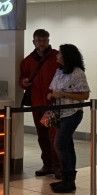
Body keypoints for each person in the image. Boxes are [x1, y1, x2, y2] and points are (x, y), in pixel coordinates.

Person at [47, 44, 90, 194]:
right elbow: (54, 89)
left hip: (72, 113)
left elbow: (85, 95)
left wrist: (64, 94)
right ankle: (68, 180)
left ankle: (67, 178)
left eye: (59, 53)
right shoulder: (59, 71)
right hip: (60, 113)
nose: (57, 55)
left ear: (66, 56)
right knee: (67, 145)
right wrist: (52, 95)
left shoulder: (78, 73)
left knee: (60, 144)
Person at [20, 29, 62, 178]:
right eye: (39, 41)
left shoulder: (57, 57)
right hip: (37, 103)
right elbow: (22, 78)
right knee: (42, 135)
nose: (42, 43)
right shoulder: (27, 61)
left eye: (45, 40)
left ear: (48, 41)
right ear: (34, 42)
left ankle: (58, 167)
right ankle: (47, 164)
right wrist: (24, 82)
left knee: (54, 136)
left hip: (53, 103)